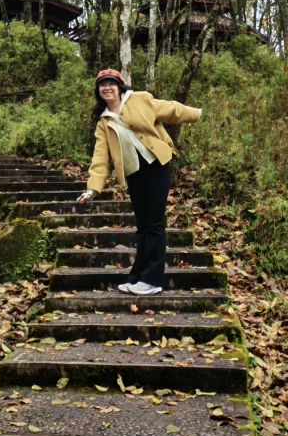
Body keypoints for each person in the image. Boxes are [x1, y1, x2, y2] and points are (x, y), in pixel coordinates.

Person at [76, 68, 203, 296]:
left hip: (157, 165)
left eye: (111, 83)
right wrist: (93, 189)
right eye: (102, 84)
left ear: (120, 86)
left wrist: (197, 113)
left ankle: (153, 280)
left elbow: (170, 109)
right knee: (143, 226)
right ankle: (138, 277)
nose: (107, 87)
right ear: (98, 91)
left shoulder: (139, 99)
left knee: (154, 223)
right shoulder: (103, 122)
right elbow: (100, 158)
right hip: (134, 173)